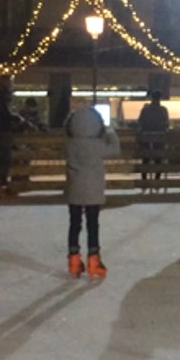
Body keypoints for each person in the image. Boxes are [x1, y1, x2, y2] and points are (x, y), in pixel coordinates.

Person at [64, 101, 120, 279]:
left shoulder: (70, 144)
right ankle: (94, 260)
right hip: (93, 191)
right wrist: (109, 131)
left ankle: (73, 260)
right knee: (92, 225)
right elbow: (115, 149)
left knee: (74, 224)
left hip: (74, 190)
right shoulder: (97, 145)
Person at [137, 91, 170, 187]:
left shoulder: (145, 110)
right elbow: (166, 124)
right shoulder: (163, 110)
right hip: (159, 137)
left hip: (146, 137)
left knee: (145, 159)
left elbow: (140, 123)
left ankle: (144, 180)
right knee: (158, 159)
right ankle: (157, 179)